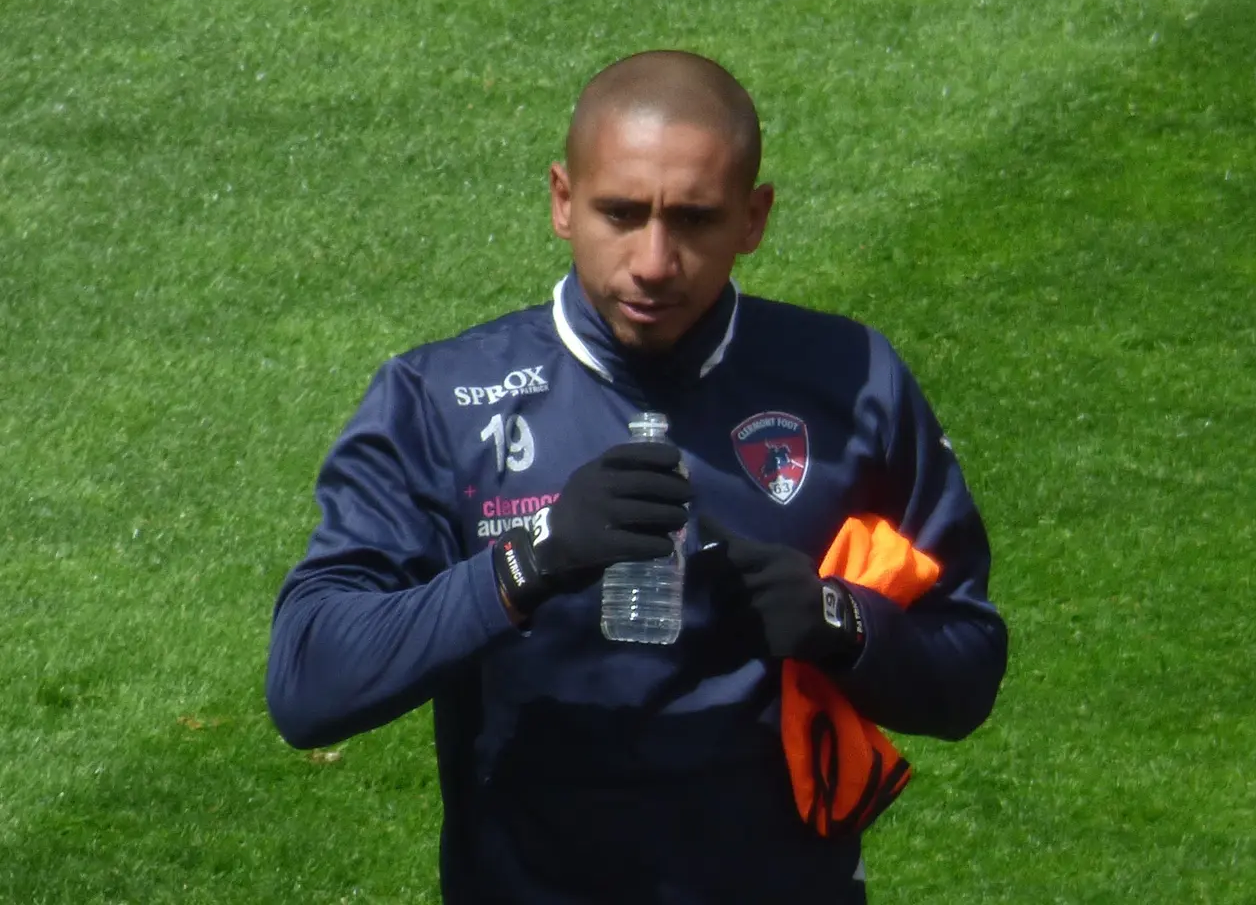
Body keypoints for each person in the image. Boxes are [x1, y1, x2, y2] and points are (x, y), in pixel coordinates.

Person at [265, 49, 1008, 904]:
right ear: (562, 202)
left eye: (694, 220)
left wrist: (840, 625)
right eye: (622, 213)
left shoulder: (851, 383)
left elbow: (969, 670)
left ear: (755, 218)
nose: (654, 262)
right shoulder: (440, 403)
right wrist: (527, 563)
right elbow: (308, 681)